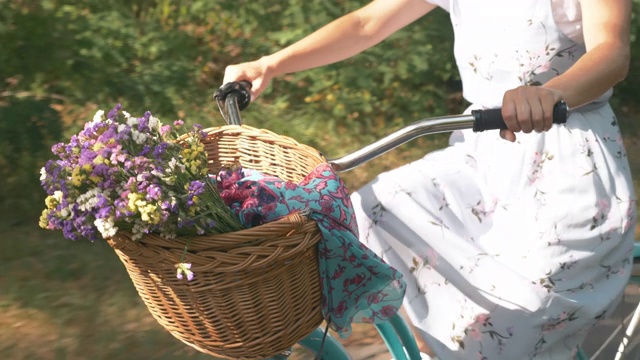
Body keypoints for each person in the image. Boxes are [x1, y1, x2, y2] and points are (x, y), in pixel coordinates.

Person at [223, 0, 636, 358]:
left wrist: (551, 93)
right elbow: (366, 23)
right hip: (484, 154)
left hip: (567, 156)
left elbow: (612, 50)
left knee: (523, 314)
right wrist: (270, 64)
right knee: (374, 209)